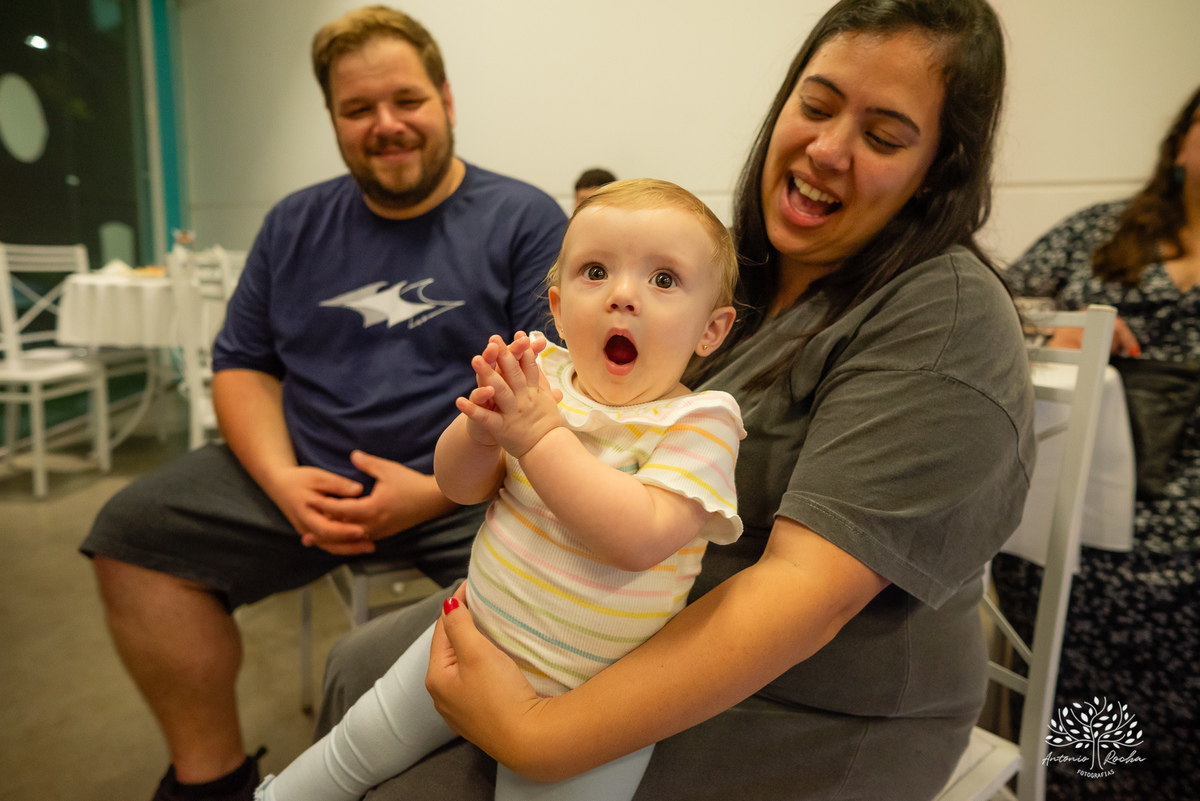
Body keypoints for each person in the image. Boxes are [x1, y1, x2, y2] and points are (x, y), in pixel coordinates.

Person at [314, 1, 1036, 799]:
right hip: (620, 615)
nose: (828, 149)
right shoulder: (741, 274)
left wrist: (540, 734)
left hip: (812, 693)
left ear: (941, 167)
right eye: (817, 105)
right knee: (354, 663)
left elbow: (801, 598)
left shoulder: (943, 317)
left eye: (884, 135)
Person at [79, 6, 567, 801]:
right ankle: (213, 782)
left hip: (462, 491)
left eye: (406, 100)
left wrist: (438, 487)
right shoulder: (293, 223)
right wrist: (278, 477)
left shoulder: (524, 220)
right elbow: (240, 364)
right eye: (357, 109)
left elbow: (556, 387)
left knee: (540, 606)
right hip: (298, 476)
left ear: (446, 99)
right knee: (132, 535)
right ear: (334, 120)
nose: (386, 124)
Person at [257, 178, 743, 801]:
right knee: (354, 749)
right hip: (470, 635)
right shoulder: (541, 376)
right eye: (596, 271)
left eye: (664, 280)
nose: (623, 296)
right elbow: (458, 487)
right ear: (559, 306)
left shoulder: (701, 423)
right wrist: (483, 432)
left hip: (591, 709)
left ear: (712, 329)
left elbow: (639, 538)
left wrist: (539, 437)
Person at [992, 85, 1200, 801]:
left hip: (1187, 556)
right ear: (1181, 143)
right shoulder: (1099, 231)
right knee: (1086, 755)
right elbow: (996, 313)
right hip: (1073, 533)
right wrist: (1071, 328)